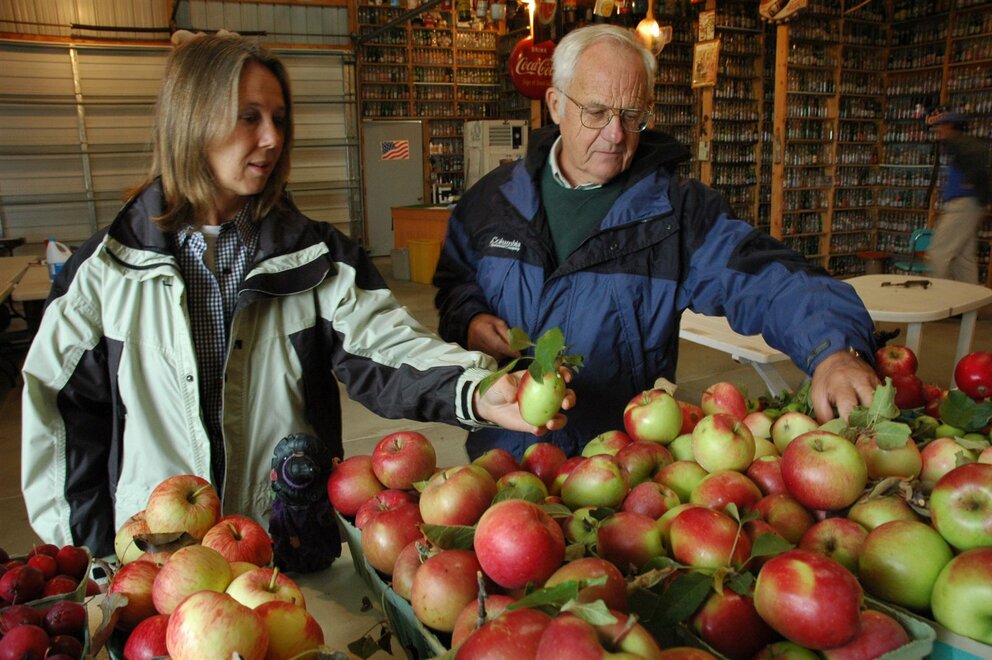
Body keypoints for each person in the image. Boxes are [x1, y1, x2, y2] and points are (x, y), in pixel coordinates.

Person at [20, 34, 572, 559]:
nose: (272, 138)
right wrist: (95, 560)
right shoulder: (104, 274)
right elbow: (63, 429)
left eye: (279, 120)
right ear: (191, 120)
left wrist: (477, 389)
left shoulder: (316, 260)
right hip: (159, 559)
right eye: (249, 117)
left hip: (283, 545)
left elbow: (387, 345)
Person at [434, 24, 880, 460]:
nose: (615, 133)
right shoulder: (493, 200)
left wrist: (834, 350)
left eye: (632, 116)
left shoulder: (676, 214)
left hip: (617, 467)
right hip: (500, 461)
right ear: (555, 104)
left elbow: (768, 279)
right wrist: (470, 318)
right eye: (596, 111)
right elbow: (456, 285)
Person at [927, 110, 991, 283]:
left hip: (962, 205)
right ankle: (970, 304)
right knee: (964, 259)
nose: (938, 130)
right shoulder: (962, 145)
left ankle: (939, 302)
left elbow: (980, 159)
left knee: (939, 251)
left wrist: (971, 181)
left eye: (941, 126)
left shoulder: (961, 143)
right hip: (971, 205)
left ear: (950, 126)